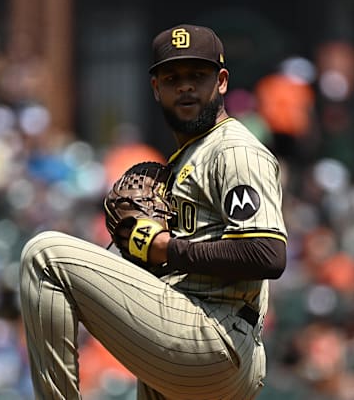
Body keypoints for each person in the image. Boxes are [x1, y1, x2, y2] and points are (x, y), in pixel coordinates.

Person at [19, 23, 288, 400]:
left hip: (213, 334)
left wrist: (166, 248)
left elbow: (267, 255)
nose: (185, 86)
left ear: (222, 81)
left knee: (45, 255)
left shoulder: (234, 150)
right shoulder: (185, 158)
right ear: (156, 88)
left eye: (198, 75)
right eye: (172, 77)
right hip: (189, 336)